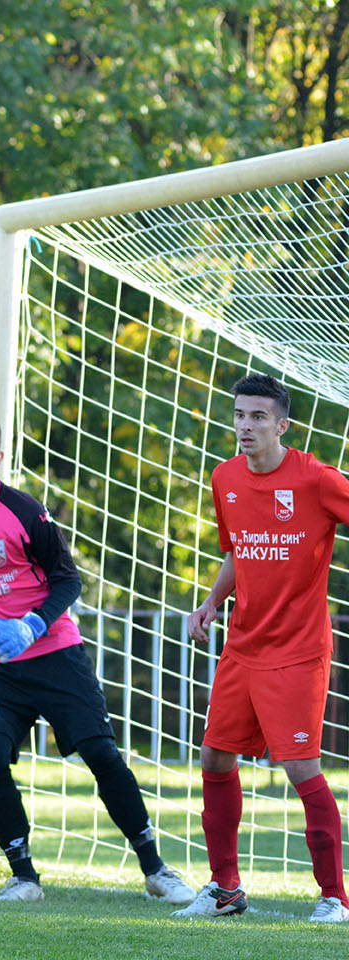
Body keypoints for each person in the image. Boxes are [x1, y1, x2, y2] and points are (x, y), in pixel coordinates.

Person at [0, 412, 195, 906]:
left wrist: (31, 624)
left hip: (54, 652)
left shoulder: (26, 511)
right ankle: (24, 877)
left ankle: (156, 869)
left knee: (100, 754)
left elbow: (69, 581)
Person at [175, 374, 349, 922]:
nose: (245, 426)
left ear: (282, 425)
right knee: (214, 756)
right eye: (239, 415)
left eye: (257, 417)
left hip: (299, 650)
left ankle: (334, 898)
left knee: (299, 766)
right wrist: (208, 604)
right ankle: (226, 889)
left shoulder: (317, 480)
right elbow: (237, 551)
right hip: (243, 646)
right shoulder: (224, 477)